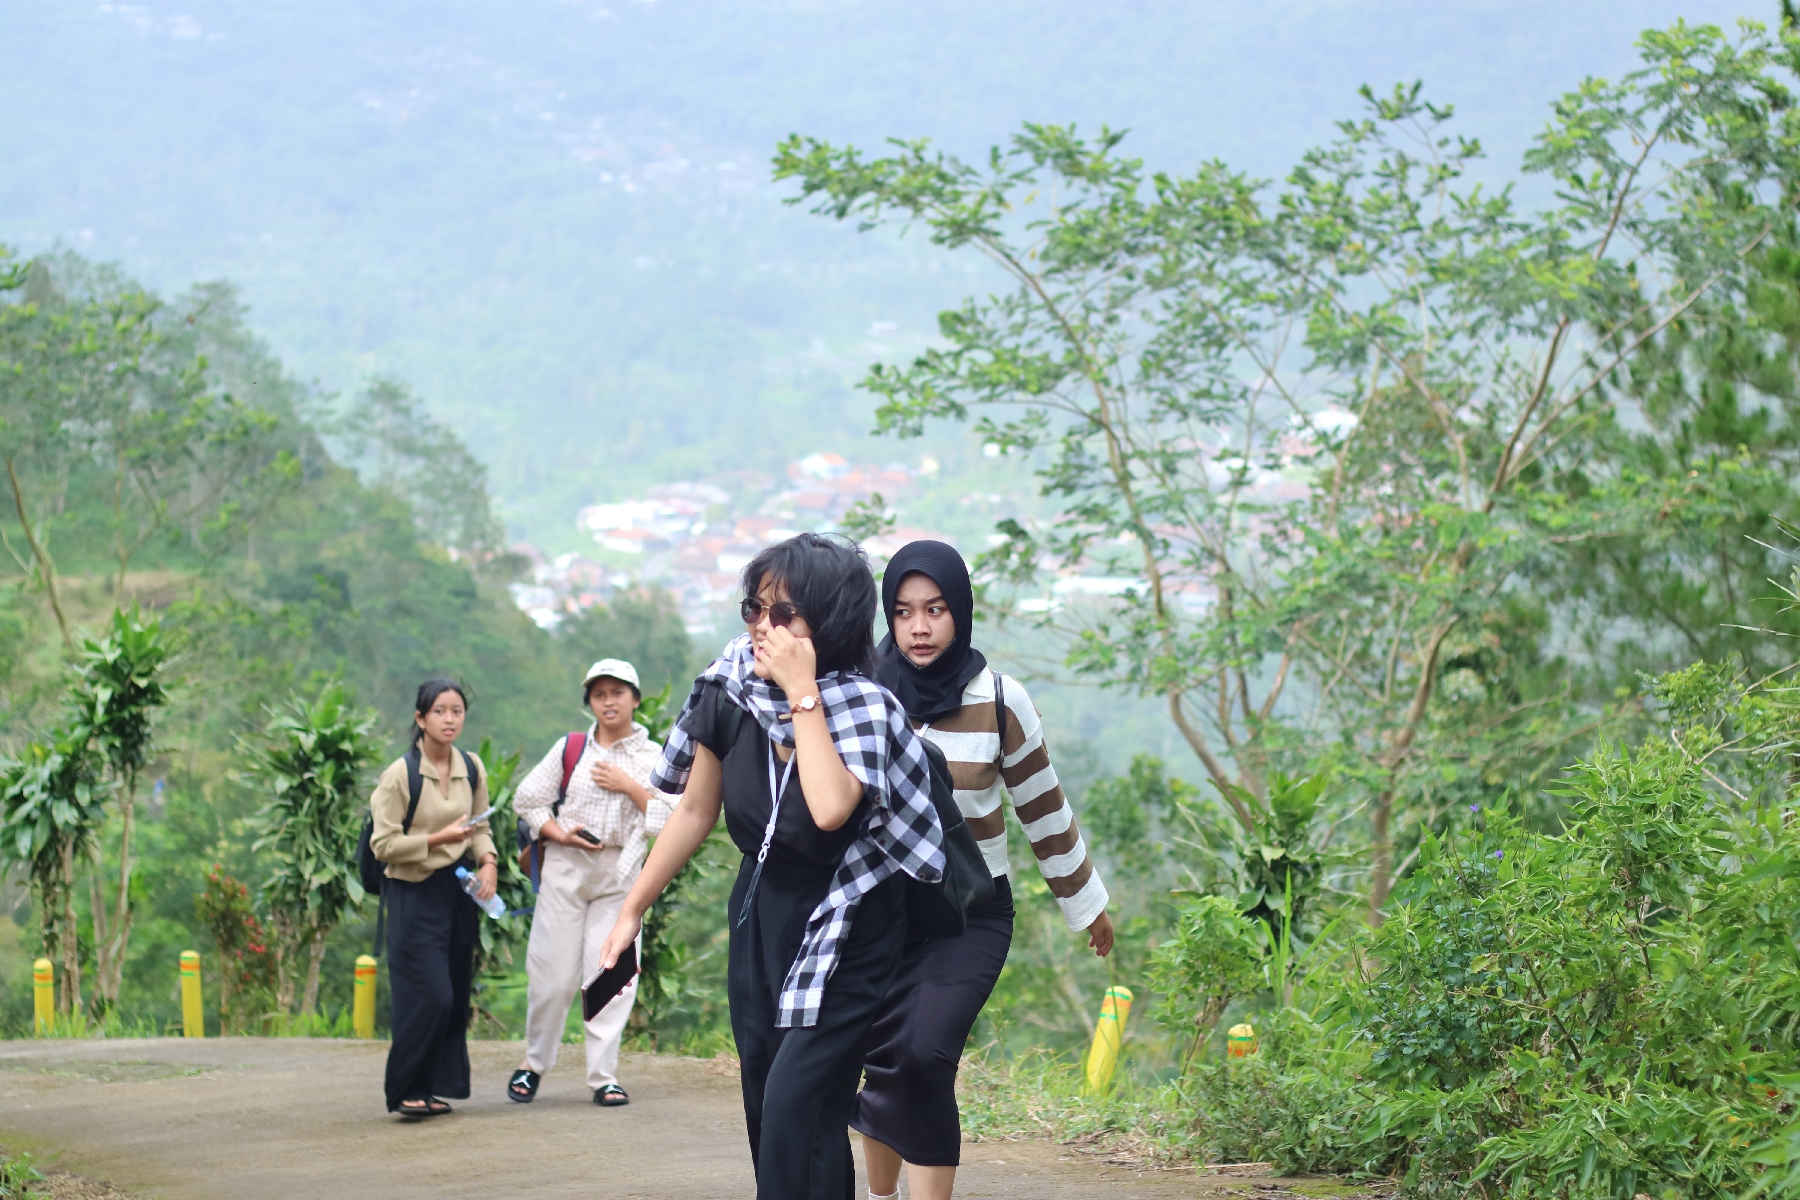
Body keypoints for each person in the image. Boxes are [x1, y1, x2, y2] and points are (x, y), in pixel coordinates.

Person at [597, 533, 946, 1200]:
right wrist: (631, 908)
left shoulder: (865, 710)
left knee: (795, 1103)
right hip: (760, 915)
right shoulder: (733, 692)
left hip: (848, 928)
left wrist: (801, 694)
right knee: (772, 1105)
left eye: (785, 615)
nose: (763, 628)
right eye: (754, 610)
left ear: (832, 620)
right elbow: (696, 812)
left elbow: (830, 808)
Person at [853, 540, 1114, 1200]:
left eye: (935, 609)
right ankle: (880, 1193)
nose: (918, 627)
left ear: (959, 612)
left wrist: (1087, 905)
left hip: (971, 913)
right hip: (880, 913)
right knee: (881, 1059)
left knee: (926, 1055)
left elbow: (1044, 810)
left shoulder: (1000, 699)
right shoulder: (863, 695)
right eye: (905, 611)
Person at [508, 658, 677, 1107]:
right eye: (599, 694)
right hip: (566, 867)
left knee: (611, 976)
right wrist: (558, 832)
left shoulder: (653, 756)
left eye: (617, 693)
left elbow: (675, 818)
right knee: (551, 975)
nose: (608, 702)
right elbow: (528, 800)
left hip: (621, 872)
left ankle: (603, 1076)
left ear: (635, 699)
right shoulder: (573, 748)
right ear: (590, 702)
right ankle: (533, 1064)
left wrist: (631, 787)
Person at [368, 678, 497, 1118]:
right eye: (439, 711)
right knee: (430, 994)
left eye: (456, 711)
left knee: (455, 992)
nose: (449, 719)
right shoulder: (399, 775)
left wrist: (489, 864)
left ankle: (431, 1088)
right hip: (411, 892)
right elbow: (382, 845)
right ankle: (405, 1087)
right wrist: (438, 837)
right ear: (420, 718)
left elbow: (480, 826)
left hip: (457, 894)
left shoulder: (471, 767)